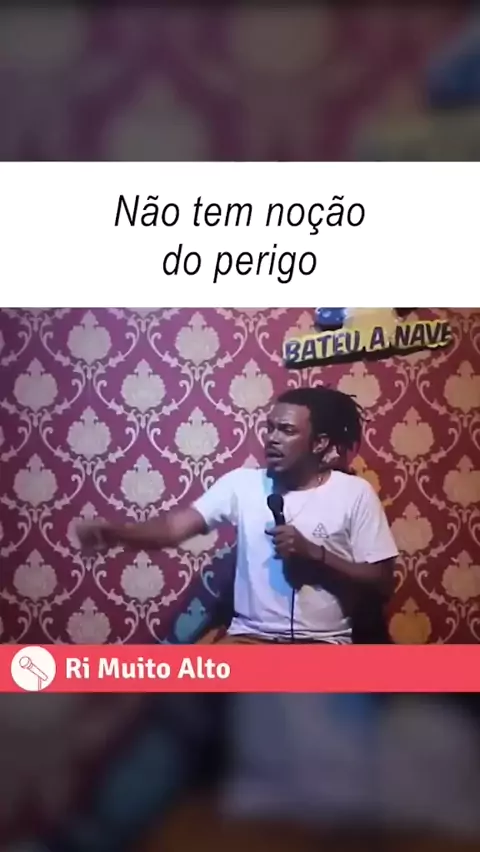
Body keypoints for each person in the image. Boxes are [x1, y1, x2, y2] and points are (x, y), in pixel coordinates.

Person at [78, 387, 398, 644]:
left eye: (286, 430)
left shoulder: (354, 493)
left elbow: (382, 582)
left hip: (322, 645)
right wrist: (118, 533)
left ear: (319, 443)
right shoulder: (240, 484)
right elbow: (175, 527)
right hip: (249, 639)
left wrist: (317, 554)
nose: (272, 438)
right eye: (270, 428)